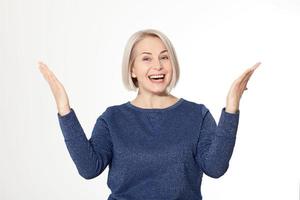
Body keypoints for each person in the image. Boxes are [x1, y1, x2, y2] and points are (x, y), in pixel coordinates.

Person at [38, 29, 261, 200]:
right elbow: (89, 169)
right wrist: (64, 108)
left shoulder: (197, 115)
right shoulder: (112, 119)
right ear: (132, 69)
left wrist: (232, 106)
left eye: (164, 57)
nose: (158, 66)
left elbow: (215, 168)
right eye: (147, 58)